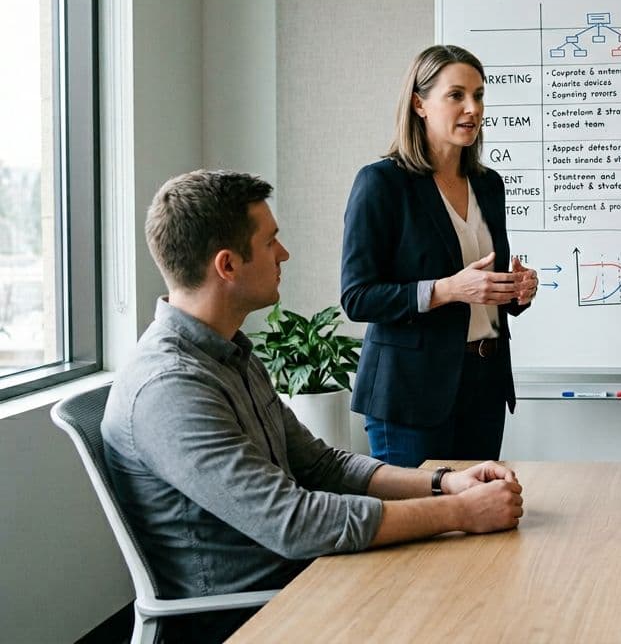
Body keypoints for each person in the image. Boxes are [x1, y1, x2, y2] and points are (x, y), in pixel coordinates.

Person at [103, 170, 524, 643]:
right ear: (227, 265)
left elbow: (321, 465)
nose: (284, 253)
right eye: (270, 242)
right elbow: (296, 523)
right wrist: (459, 513)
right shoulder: (170, 388)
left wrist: (443, 483)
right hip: (256, 612)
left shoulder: (228, 350)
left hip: (308, 577)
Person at [341, 45, 539, 467]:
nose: (473, 108)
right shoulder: (382, 184)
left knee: (480, 526)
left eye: (479, 95)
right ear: (419, 104)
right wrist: (448, 289)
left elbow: (484, 287)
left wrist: (516, 290)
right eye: (456, 95)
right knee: (421, 525)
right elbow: (358, 297)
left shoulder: (489, 185)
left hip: (484, 384)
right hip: (410, 394)